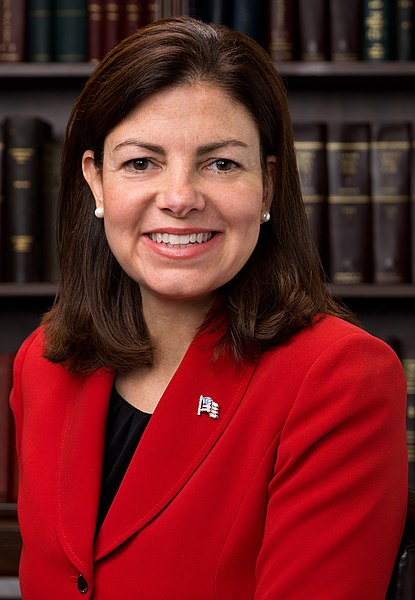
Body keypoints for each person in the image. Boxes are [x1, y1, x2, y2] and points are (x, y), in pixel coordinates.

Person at [10, 16, 407, 600]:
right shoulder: (42, 363)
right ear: (96, 181)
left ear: (268, 185)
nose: (179, 198)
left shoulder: (341, 379)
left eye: (220, 164)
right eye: (141, 163)